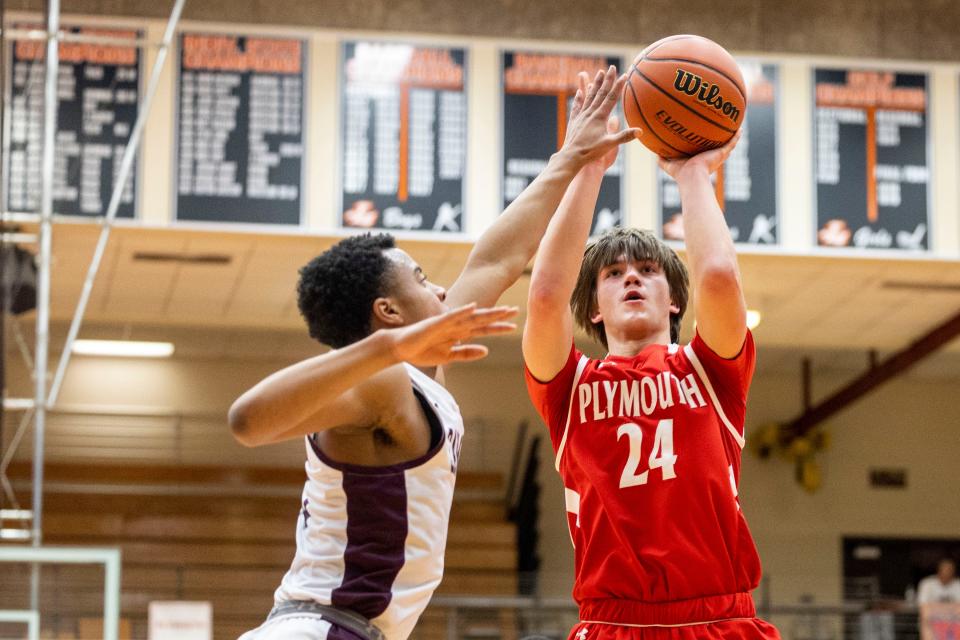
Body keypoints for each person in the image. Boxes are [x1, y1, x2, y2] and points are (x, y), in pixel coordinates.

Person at [230, 66, 638, 640]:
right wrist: (387, 350)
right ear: (388, 313)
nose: (442, 289)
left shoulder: (416, 373)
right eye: (422, 279)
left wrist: (572, 157)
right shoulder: (381, 383)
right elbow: (246, 421)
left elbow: (496, 260)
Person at [522, 71, 780, 639]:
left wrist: (694, 174)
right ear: (592, 308)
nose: (631, 279)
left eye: (648, 270)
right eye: (613, 274)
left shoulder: (711, 373)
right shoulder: (569, 388)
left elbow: (717, 275)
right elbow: (543, 296)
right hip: (613, 622)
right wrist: (586, 167)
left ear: (674, 301)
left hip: (719, 618)